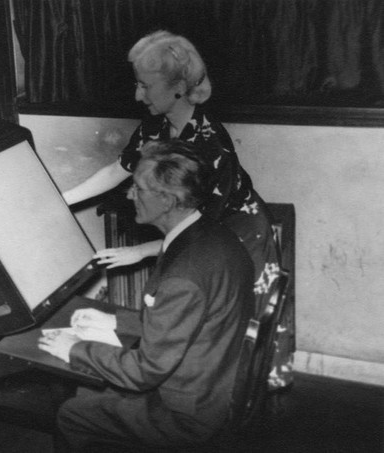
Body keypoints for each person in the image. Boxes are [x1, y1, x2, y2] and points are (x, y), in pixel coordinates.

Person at [63, 30, 292, 389]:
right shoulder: (156, 123)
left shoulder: (210, 142)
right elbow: (117, 169)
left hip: (235, 235)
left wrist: (140, 250)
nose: (138, 96)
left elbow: (201, 233)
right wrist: (61, 200)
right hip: (199, 233)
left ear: (178, 88)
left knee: (229, 347)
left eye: (145, 86)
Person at [39, 140, 255, 451]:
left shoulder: (183, 275)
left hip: (187, 414)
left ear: (167, 201)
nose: (129, 194)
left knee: (73, 413)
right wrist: (115, 320)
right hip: (216, 379)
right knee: (93, 391)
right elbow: (183, 320)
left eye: (138, 188)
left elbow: (144, 372)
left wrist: (75, 349)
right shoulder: (211, 235)